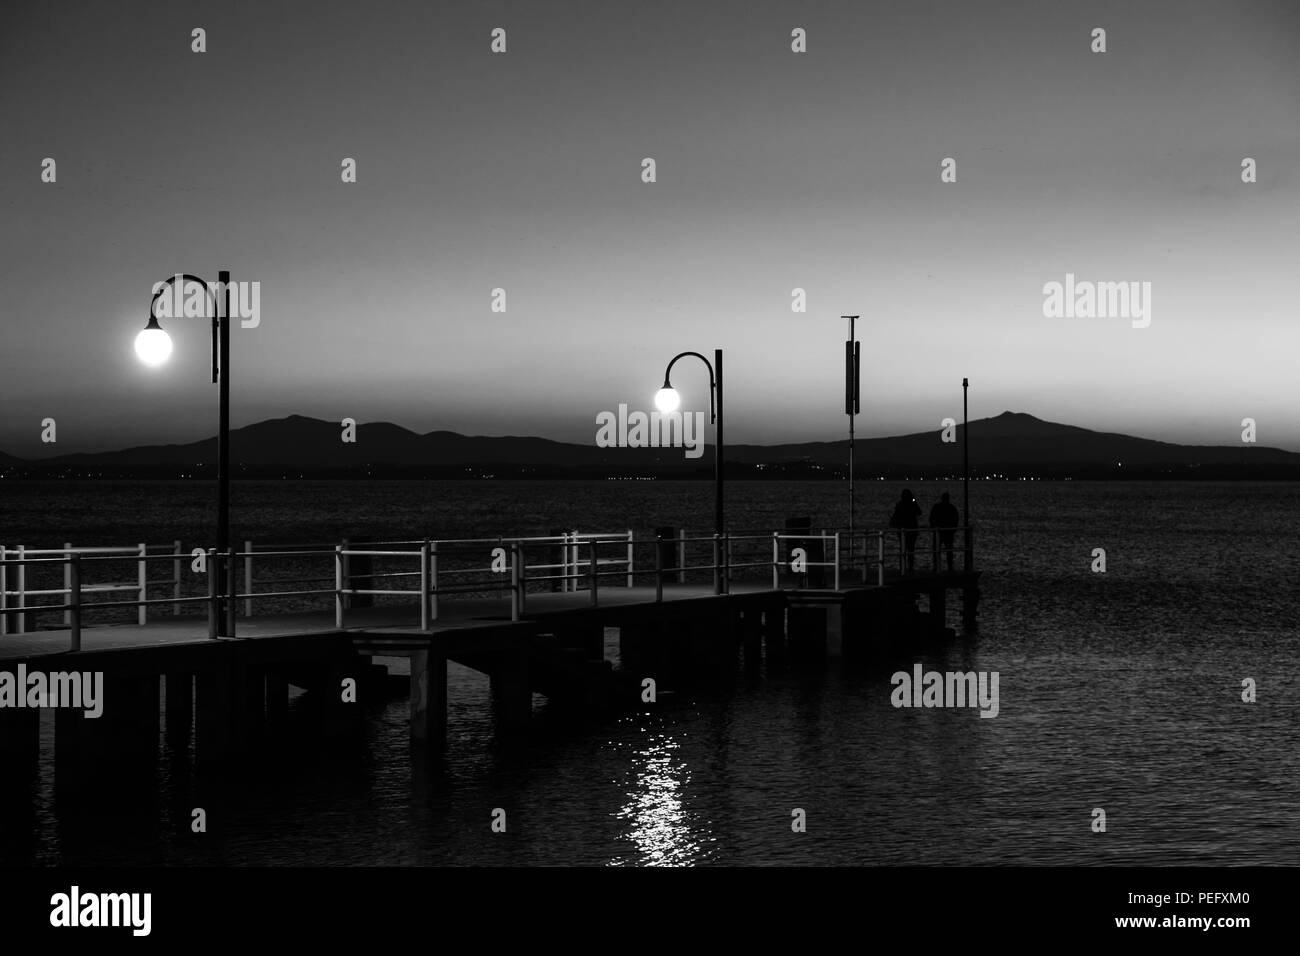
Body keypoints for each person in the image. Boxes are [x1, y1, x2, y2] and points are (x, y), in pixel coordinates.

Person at [889, 488, 922, 574]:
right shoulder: (912, 504)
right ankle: (910, 567)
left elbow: (895, 516)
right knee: (911, 550)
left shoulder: (899, 504)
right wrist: (914, 501)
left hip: (902, 530)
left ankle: (902, 567)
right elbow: (919, 512)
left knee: (903, 549)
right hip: (911, 529)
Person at [929, 492, 960, 573]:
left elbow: (931, 518)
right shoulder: (952, 508)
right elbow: (956, 519)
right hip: (948, 532)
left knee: (936, 550)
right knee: (949, 551)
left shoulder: (937, 507)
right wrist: (953, 530)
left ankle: (936, 567)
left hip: (939, 532)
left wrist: (933, 528)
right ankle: (950, 568)